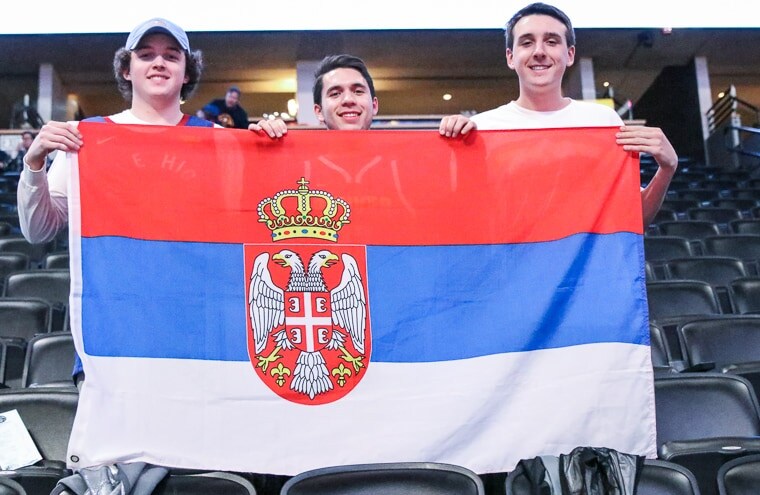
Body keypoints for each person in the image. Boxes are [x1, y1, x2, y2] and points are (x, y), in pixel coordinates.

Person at [439, 2, 678, 227]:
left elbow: (631, 221)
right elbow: (465, 219)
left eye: (552, 41)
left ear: (570, 54)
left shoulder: (603, 123)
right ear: (510, 57)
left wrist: (666, 170)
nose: (539, 51)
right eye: (526, 42)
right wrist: (456, 146)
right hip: (511, 268)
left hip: (584, 271)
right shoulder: (482, 129)